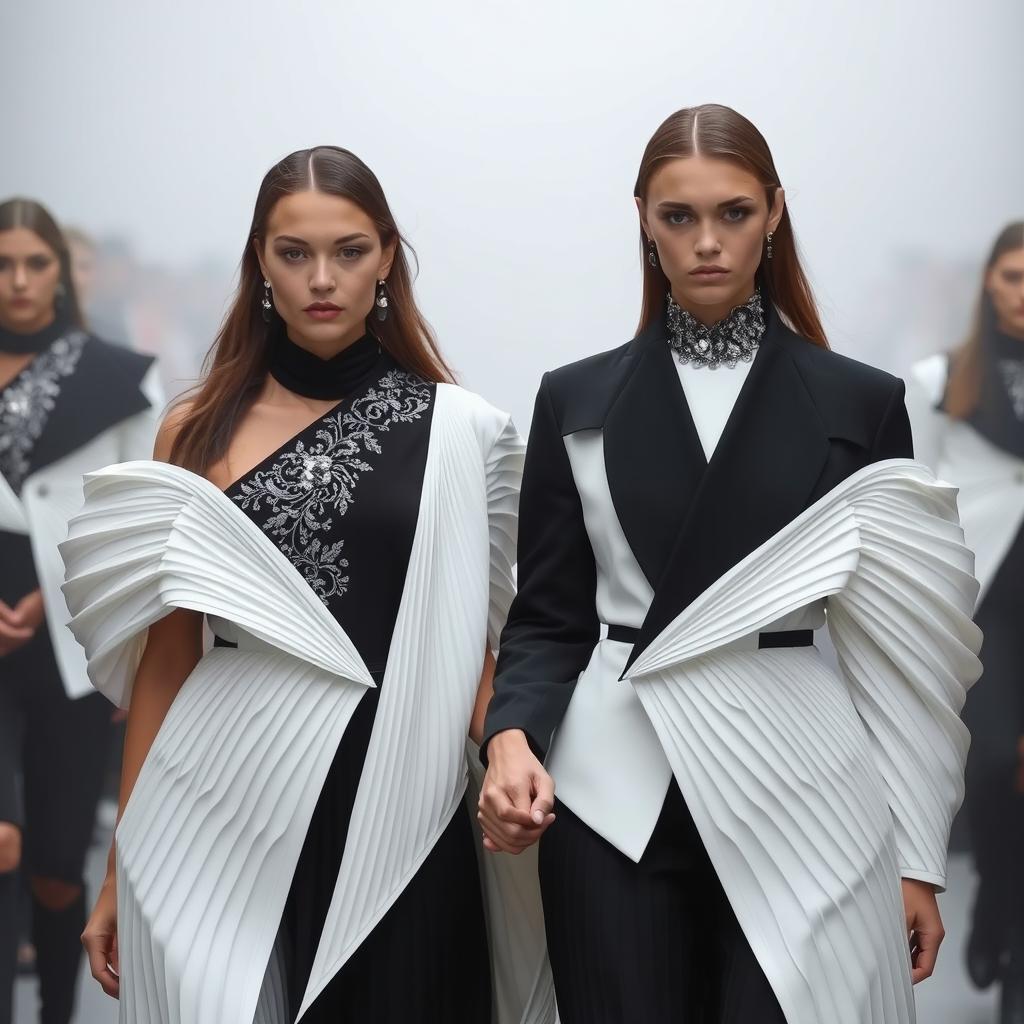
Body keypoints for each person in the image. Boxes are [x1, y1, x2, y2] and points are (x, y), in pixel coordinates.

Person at [479, 104, 982, 1024]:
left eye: (734, 213)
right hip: (611, 795)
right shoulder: (574, 400)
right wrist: (509, 735)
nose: (707, 241)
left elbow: (900, 655)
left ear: (775, 212)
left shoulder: (862, 404)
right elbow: (548, 618)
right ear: (642, 218)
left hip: (806, 792)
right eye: (679, 217)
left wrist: (916, 854)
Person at [61, 146, 551, 1024]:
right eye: (293, 253)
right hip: (218, 796)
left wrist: (515, 750)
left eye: (350, 250)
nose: (322, 278)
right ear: (259, 262)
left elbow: (473, 646)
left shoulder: (459, 432)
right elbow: (166, 664)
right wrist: (121, 862)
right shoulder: (195, 426)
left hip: (406, 790)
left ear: (388, 257)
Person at [0, 197, 162, 1024]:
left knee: (60, 862)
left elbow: (144, 520)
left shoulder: (119, 377)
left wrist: (77, 606)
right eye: (3, 264)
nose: (19, 281)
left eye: (35, 263)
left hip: (69, 634)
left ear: (61, 272)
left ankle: (55, 1014)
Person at [907, 221, 1024, 1024]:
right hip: (987, 606)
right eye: (1015, 276)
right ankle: (993, 909)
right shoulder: (941, 378)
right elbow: (910, 497)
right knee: (990, 769)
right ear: (990, 281)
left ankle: (1010, 934)